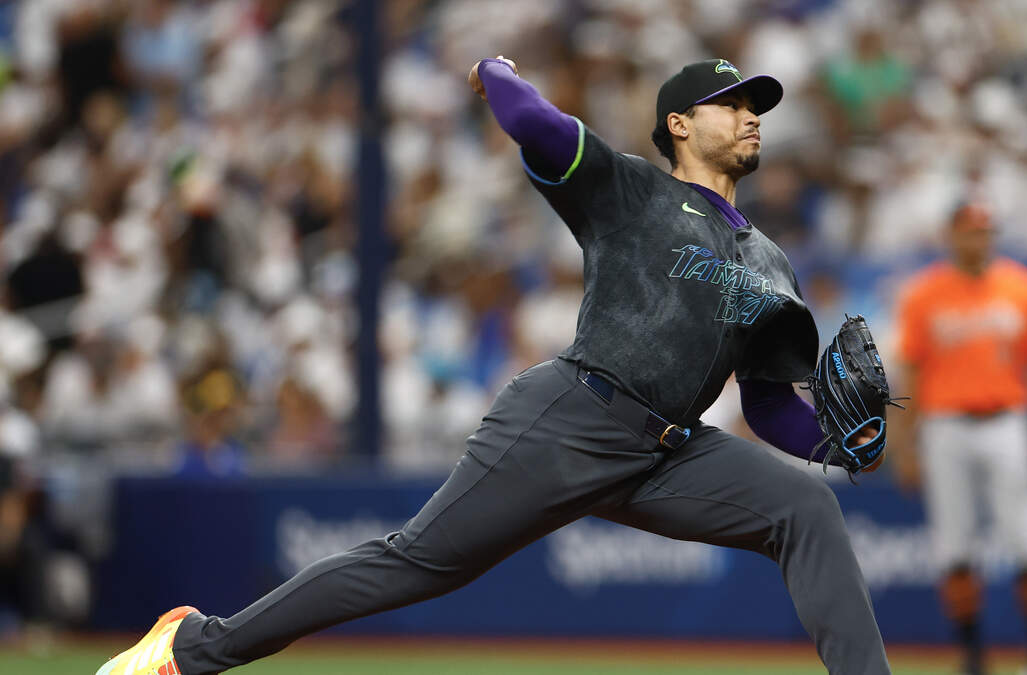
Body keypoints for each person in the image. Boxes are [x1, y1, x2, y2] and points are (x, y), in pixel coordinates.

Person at [97, 57, 890, 675]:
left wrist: (835, 442)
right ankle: (190, 646)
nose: (751, 117)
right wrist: (498, 71)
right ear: (679, 123)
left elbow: (767, 401)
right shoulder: (633, 191)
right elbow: (536, 124)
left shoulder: (771, 262)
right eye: (732, 103)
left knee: (805, 507)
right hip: (573, 417)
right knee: (414, 564)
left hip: (670, 453)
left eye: (756, 107)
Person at [892, 202, 1027, 675]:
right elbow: (910, 373)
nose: (979, 240)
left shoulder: (1023, 286)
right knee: (954, 545)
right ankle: (972, 659)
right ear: (950, 235)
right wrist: (905, 444)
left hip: (1006, 421)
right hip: (945, 426)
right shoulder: (923, 294)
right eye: (970, 231)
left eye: (986, 231)